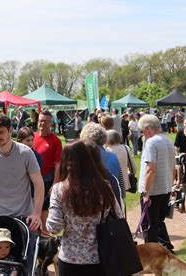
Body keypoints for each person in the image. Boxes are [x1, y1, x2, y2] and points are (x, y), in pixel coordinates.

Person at [0, 115, 44, 273]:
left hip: (24, 218)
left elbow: (38, 184)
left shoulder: (25, 153)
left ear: (10, 131)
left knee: (24, 266)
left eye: (1, 132)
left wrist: (37, 213)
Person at [46, 140, 122, 275]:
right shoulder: (104, 187)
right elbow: (119, 215)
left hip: (69, 258)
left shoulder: (59, 190)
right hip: (99, 256)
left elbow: (54, 227)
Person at [138, 114, 175, 253]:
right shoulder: (168, 140)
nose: (142, 134)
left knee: (149, 226)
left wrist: (146, 194)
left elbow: (150, 170)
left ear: (147, 129)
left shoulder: (151, 142)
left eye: (142, 131)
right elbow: (172, 166)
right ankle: (167, 250)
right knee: (158, 223)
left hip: (153, 191)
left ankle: (152, 255)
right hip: (164, 188)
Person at [79, 122, 123, 206]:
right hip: (112, 201)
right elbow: (119, 182)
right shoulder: (113, 156)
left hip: (90, 203)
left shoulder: (83, 156)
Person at [33, 110, 62, 230]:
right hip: (31, 179)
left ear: (51, 123)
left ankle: (45, 237)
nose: (42, 124)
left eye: (45, 121)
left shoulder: (56, 141)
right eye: (40, 121)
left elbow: (58, 165)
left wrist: (55, 183)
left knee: (44, 210)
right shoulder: (32, 137)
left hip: (47, 180)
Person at [105, 129, 136, 206]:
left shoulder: (106, 150)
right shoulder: (125, 148)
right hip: (124, 182)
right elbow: (133, 167)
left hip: (109, 183)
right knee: (122, 206)